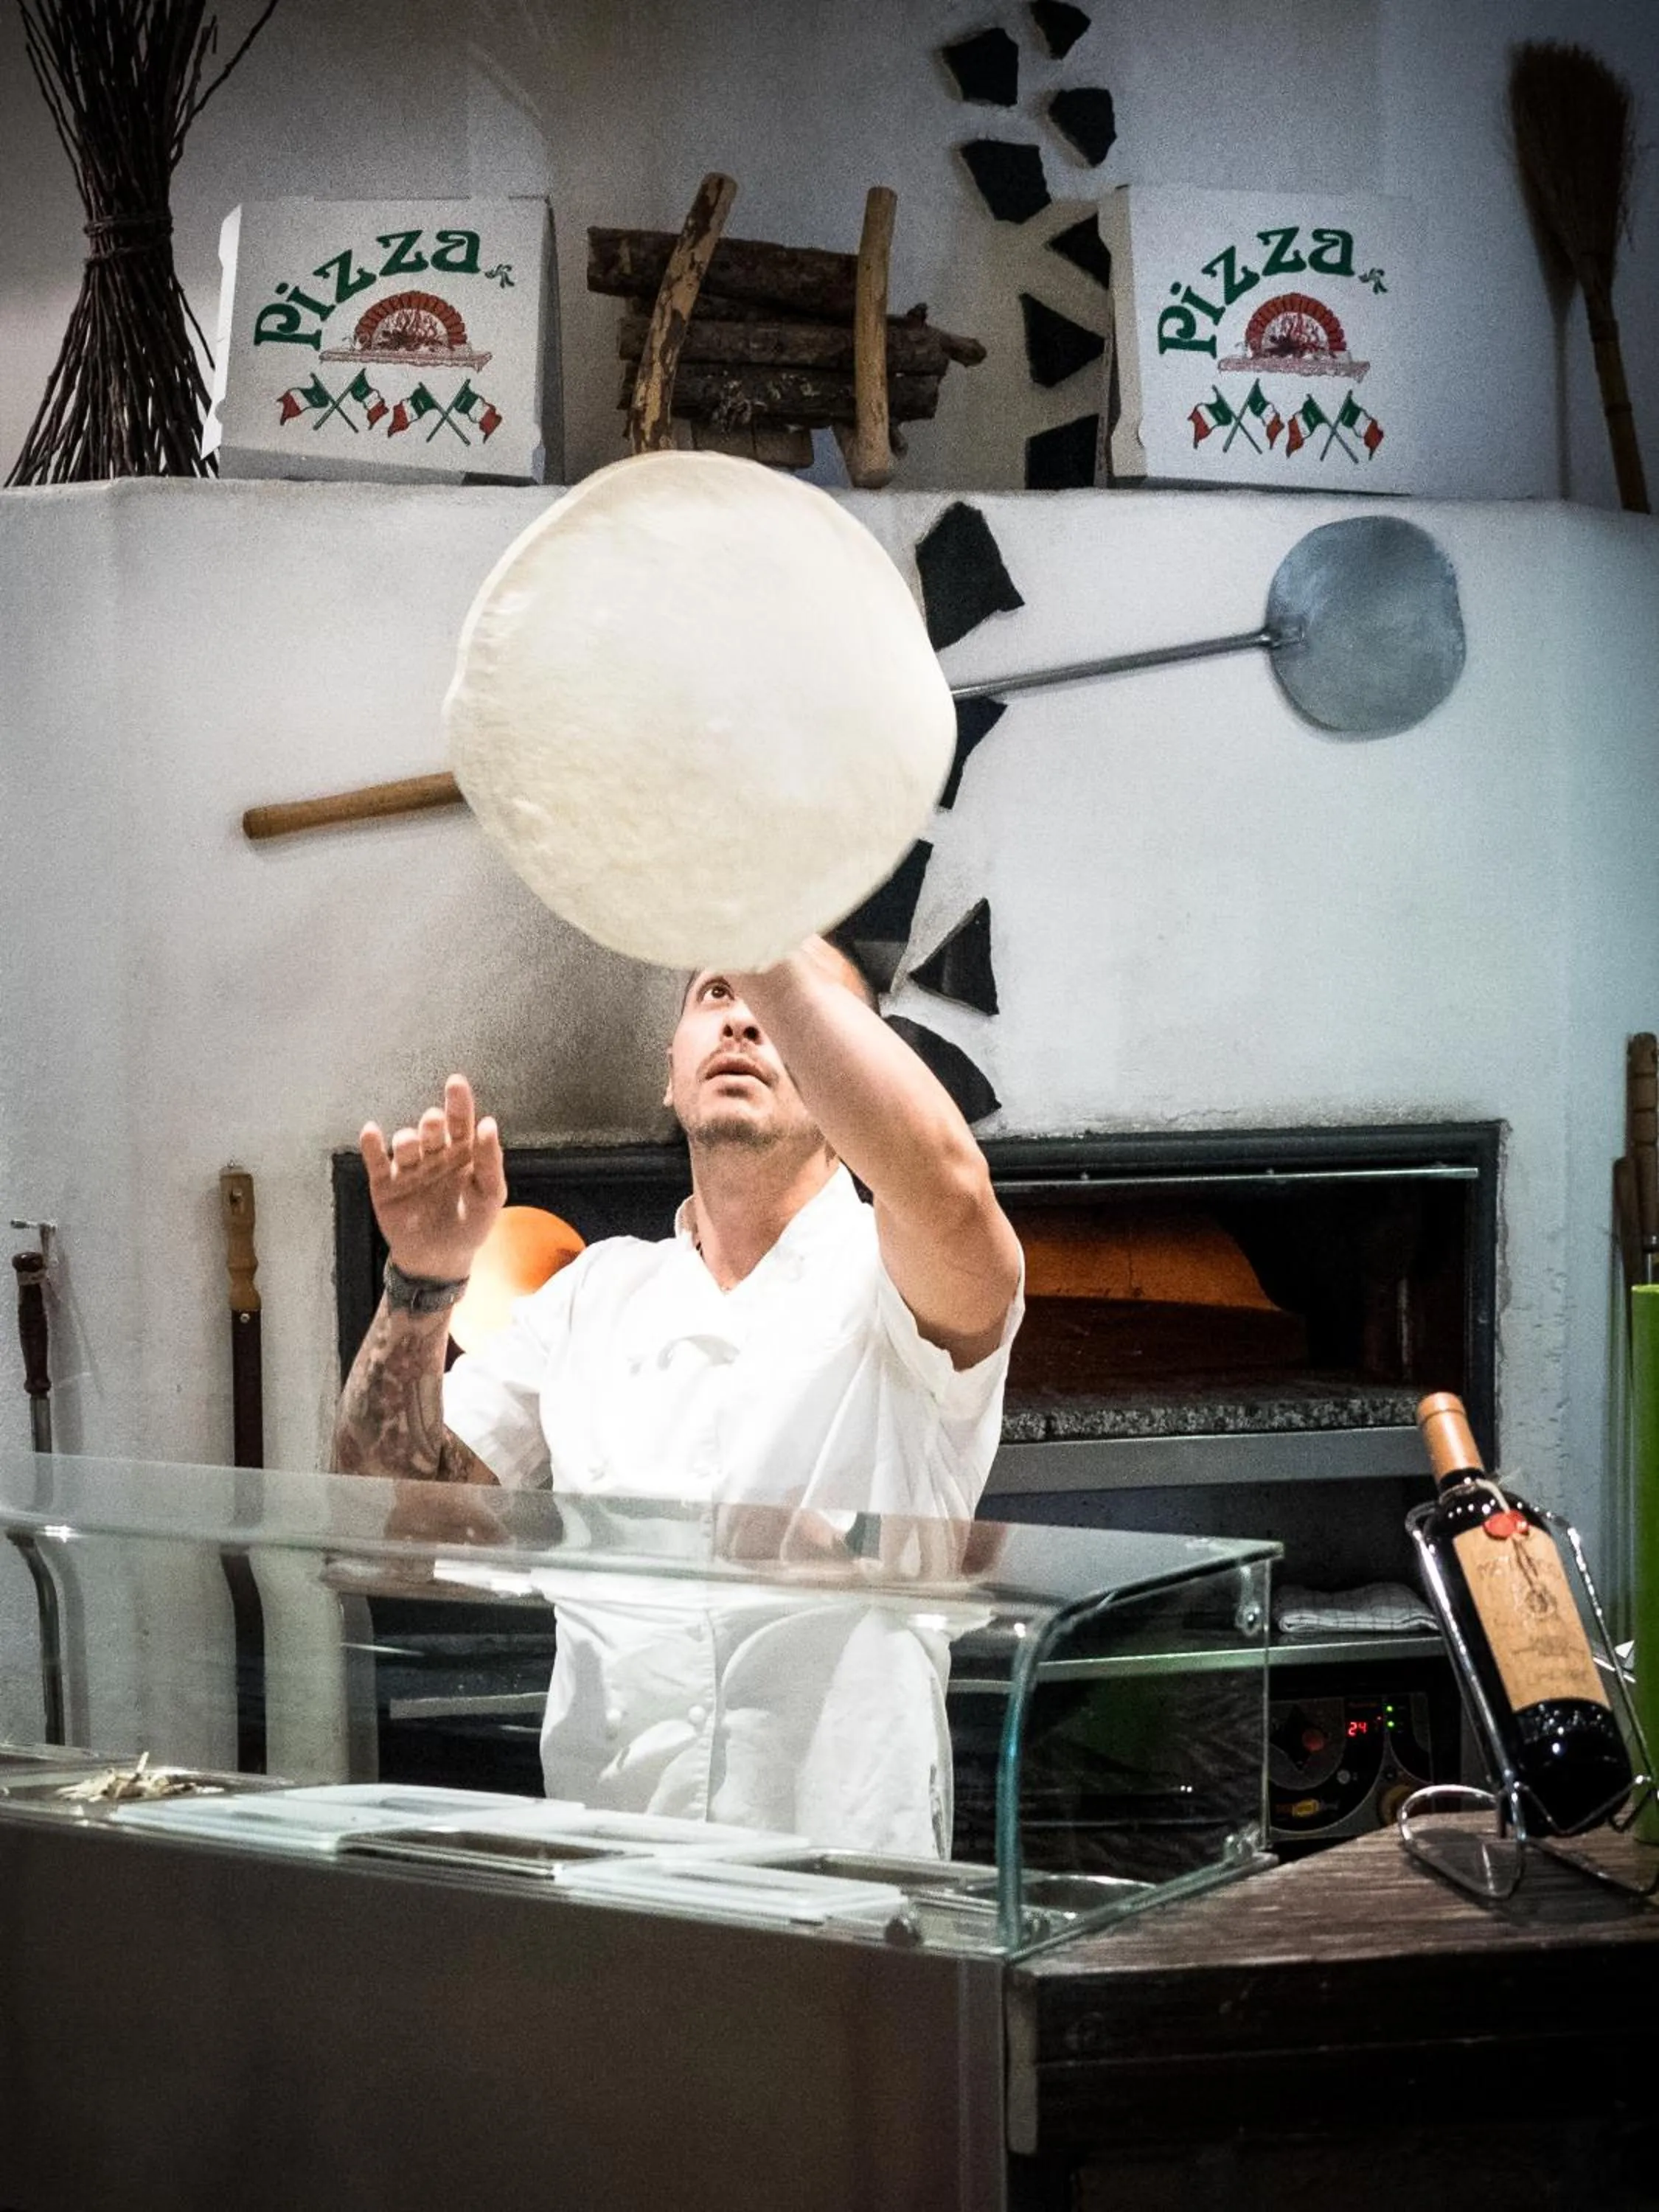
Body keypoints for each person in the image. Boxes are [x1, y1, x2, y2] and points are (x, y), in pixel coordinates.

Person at [333, 936, 1024, 1853]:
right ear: (671, 1074)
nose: (746, 1016)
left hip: (854, 1893)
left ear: (849, 1068)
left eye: (791, 1007)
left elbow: (948, 1189)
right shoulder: (592, 1293)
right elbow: (396, 1534)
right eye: (716, 993)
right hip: (614, 1882)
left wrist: (749, 912)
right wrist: (420, 1283)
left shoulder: (899, 1275)